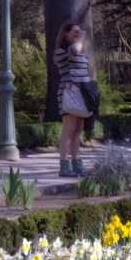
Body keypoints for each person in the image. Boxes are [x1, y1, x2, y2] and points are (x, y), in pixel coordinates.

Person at [55, 21, 91, 177]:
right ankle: (64, 166)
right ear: (66, 33)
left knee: (77, 131)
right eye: (75, 32)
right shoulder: (61, 50)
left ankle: (77, 164)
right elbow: (75, 49)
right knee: (68, 130)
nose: (78, 34)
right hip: (69, 93)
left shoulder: (78, 51)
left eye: (79, 31)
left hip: (81, 93)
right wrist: (81, 37)